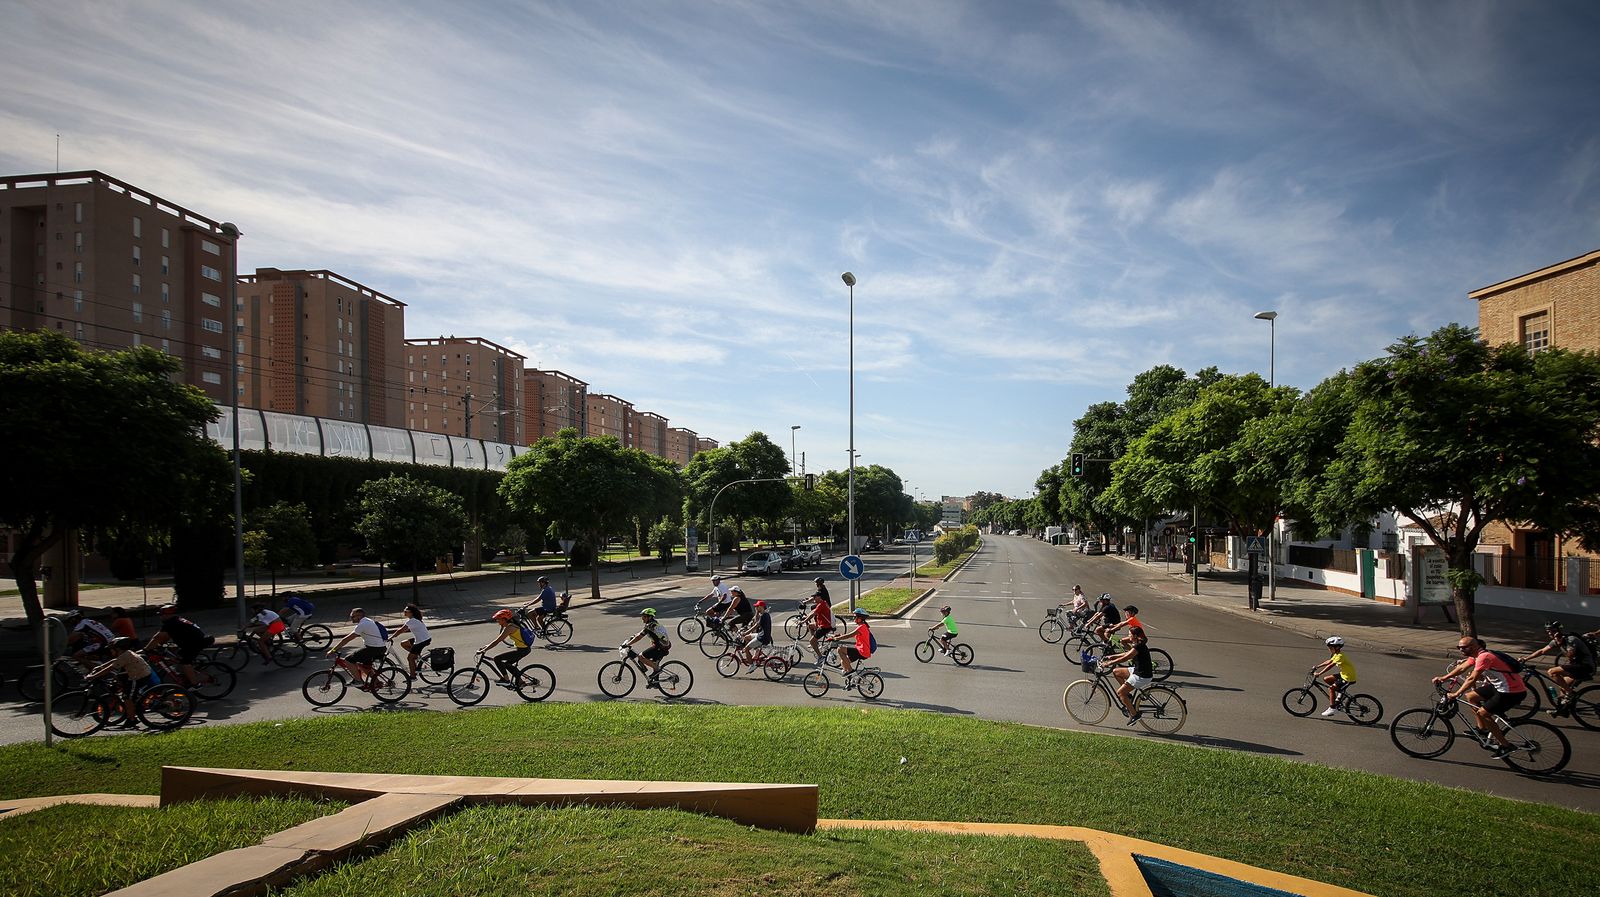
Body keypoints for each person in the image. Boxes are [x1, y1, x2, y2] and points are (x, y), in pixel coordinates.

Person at [1433, 637, 1526, 758]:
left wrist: (1456, 694)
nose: (1461, 649)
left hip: (1511, 692)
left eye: (1464, 647)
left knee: (1483, 713)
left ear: (1474, 646)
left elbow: (1472, 678)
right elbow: (1461, 668)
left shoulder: (1484, 657)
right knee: (1471, 697)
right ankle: (1482, 730)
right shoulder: (1476, 656)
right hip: (1500, 687)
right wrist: (1443, 678)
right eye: (1459, 647)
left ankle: (1506, 746)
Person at [1520, 621, 1596, 714]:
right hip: (1576, 666)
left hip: (1585, 667)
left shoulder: (1571, 640)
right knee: (1563, 686)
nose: (1550, 633)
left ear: (1559, 630)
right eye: (1548, 631)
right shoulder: (1555, 641)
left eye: (1552, 630)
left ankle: (1570, 694)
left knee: (1552, 672)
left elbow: (1570, 657)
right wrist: (1526, 658)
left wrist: (1560, 644)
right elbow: (1542, 651)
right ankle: (1563, 710)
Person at [86, 636, 159, 728]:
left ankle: (132, 719)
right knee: (120, 682)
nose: (110, 652)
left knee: (127, 697)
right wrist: (99, 667)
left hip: (139, 677)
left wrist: (93, 676)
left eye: (112, 650)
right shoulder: (125, 654)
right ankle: (131, 709)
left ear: (118, 649)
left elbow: (110, 668)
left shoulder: (125, 656)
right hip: (135, 674)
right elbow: (114, 661)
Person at [144, 604, 210, 688]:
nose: (160, 617)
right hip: (192, 642)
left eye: (161, 615)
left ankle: (195, 684)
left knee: (185, 663)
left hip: (194, 643)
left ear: (167, 615)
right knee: (178, 658)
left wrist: (146, 649)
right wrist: (159, 645)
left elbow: (157, 637)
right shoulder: (177, 620)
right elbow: (165, 637)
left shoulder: (170, 623)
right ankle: (187, 675)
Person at [326, 607, 387, 688]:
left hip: (374, 649)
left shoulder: (362, 624)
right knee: (364, 667)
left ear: (359, 616)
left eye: (352, 616)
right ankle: (377, 683)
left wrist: (333, 650)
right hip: (378, 647)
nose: (351, 618)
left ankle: (358, 681)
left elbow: (347, 639)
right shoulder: (366, 621)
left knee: (349, 660)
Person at [1105, 626, 1155, 725]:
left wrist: (1108, 663)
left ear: (1135, 636)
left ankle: (1134, 715)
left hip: (1142, 675)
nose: (1128, 636)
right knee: (1116, 672)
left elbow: (1124, 658)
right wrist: (1112, 656)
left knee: (1120, 693)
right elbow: (1128, 653)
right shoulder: (1138, 644)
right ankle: (1128, 696)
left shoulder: (1138, 646)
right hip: (1139, 670)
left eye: (1129, 635)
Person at [480, 608, 533, 685]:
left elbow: (497, 641)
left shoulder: (510, 628)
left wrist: (485, 649)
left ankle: (506, 680)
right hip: (522, 649)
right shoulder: (511, 625)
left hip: (522, 650)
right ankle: (520, 681)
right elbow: (496, 640)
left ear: (505, 619)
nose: (498, 622)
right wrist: (485, 647)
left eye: (499, 620)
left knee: (497, 659)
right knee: (507, 665)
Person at [621, 607, 672, 687]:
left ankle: (657, 669)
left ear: (649, 617)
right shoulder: (652, 624)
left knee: (641, 657)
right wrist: (633, 637)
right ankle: (655, 683)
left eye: (644, 617)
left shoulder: (650, 626)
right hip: (662, 646)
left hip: (661, 647)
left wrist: (628, 644)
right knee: (652, 663)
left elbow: (639, 637)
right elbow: (640, 633)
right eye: (642, 617)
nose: (642, 619)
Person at [1310, 636, 1358, 717]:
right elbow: (1329, 661)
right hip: (1344, 674)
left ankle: (1333, 708)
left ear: (1337, 647)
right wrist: (1317, 666)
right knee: (1327, 679)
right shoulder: (1336, 654)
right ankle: (1340, 693)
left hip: (1348, 678)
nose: (1329, 649)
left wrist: (1319, 673)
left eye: (1330, 647)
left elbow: (1331, 665)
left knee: (1331, 689)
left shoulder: (1340, 656)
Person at [827, 609, 873, 682]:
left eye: (855, 617)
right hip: (861, 650)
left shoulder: (861, 627)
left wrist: (836, 638)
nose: (854, 619)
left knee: (840, 649)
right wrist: (837, 636)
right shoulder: (862, 626)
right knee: (843, 662)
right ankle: (851, 680)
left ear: (860, 618)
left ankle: (851, 671)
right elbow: (849, 635)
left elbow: (849, 635)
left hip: (862, 651)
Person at [391, 603, 432, 680]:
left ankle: (413, 677)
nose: (404, 612)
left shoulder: (413, 620)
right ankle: (416, 656)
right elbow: (403, 629)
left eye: (406, 611)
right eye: (404, 611)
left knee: (410, 658)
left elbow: (401, 630)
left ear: (411, 612)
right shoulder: (413, 619)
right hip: (422, 638)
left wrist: (391, 637)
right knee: (403, 643)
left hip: (422, 641)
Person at [735, 600, 774, 664]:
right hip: (761, 635)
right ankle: (755, 651)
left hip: (762, 638)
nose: (755, 608)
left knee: (746, 649)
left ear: (761, 607)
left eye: (757, 606)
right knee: (747, 637)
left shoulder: (763, 616)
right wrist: (756, 613)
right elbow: (756, 622)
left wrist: (745, 632)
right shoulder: (765, 614)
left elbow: (756, 625)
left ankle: (752, 664)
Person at [808, 581, 835, 663]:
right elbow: (813, 611)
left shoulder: (821, 594)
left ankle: (820, 657)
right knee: (810, 626)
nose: (815, 584)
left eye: (816, 583)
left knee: (811, 641)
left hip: (824, 626)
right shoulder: (821, 593)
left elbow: (813, 613)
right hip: (823, 624)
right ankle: (815, 642)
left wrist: (804, 620)